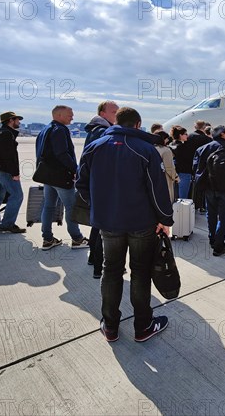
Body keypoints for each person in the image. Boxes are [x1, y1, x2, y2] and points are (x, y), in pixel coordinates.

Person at [76, 107, 174, 343]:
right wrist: (165, 219)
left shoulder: (94, 146)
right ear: (138, 125)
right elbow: (157, 189)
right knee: (140, 272)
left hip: (108, 222)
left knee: (111, 270)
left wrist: (100, 206)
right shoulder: (145, 149)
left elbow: (81, 184)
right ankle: (143, 326)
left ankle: (110, 325)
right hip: (141, 222)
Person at [35, 105, 88, 250]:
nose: (72, 117)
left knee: (49, 206)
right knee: (71, 207)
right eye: (70, 115)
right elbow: (62, 154)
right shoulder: (60, 130)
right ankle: (77, 239)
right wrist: (75, 170)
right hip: (60, 177)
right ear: (59, 115)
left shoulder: (45, 130)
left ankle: (47, 239)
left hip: (47, 176)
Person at [193, 125, 225, 256]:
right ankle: (219, 245)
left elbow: (195, 167)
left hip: (209, 187)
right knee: (224, 216)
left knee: (211, 213)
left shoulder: (202, 149)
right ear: (223, 134)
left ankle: (212, 239)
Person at [83, 101, 119, 277]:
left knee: (97, 224)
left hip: (96, 184)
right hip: (103, 186)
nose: (117, 114)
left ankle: (93, 258)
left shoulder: (95, 130)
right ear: (103, 114)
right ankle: (99, 265)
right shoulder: (102, 132)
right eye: (114, 111)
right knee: (102, 228)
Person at [0, 111, 26, 234]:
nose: (19, 122)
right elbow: (9, 156)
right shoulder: (6, 134)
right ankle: (8, 224)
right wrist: (15, 173)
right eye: (17, 120)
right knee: (17, 195)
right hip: (4, 170)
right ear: (10, 120)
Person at [169, 125, 193, 199]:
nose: (187, 135)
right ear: (180, 135)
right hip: (185, 172)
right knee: (183, 197)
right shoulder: (184, 147)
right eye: (185, 134)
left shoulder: (171, 145)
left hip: (173, 172)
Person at [154, 130, 178, 202]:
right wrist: (175, 177)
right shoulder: (166, 150)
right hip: (164, 178)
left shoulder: (151, 148)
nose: (168, 140)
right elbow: (169, 167)